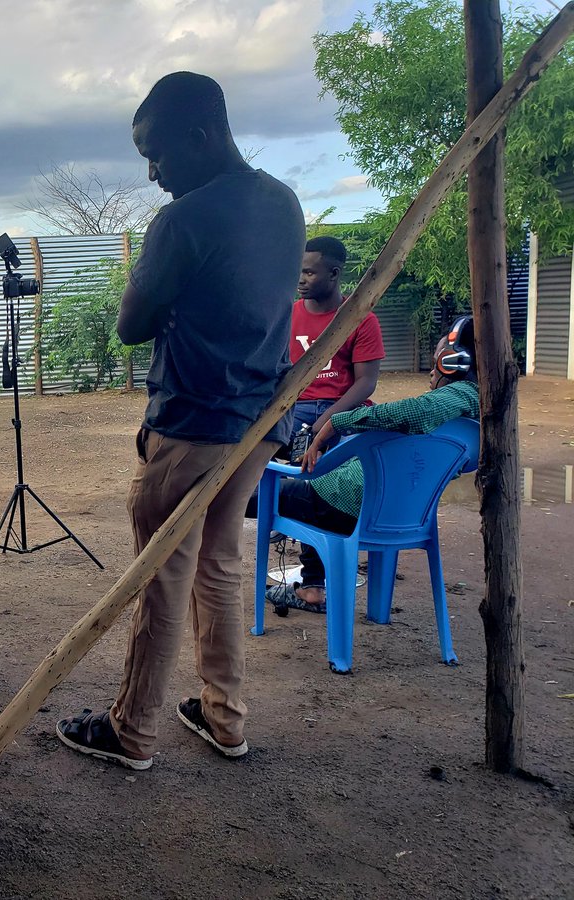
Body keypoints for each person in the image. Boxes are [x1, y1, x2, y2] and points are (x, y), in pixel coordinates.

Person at [56, 72, 306, 769]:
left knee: (162, 575)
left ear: (200, 136)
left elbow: (131, 324)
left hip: (190, 425)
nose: (151, 171)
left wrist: (169, 302)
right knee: (218, 567)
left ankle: (131, 730)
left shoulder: (183, 219)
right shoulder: (283, 203)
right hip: (256, 423)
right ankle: (225, 718)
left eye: (156, 152)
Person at [264, 316, 479, 614]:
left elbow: (414, 411)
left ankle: (295, 585)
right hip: (397, 516)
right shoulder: (474, 420)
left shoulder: (460, 395)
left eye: (437, 360)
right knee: (308, 484)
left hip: (344, 505)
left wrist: (333, 423)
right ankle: (319, 587)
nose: (432, 370)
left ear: (452, 363)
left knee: (255, 496)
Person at [288, 235, 384, 451]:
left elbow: (366, 382)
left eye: (309, 272)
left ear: (334, 274)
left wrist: (326, 422)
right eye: (299, 271)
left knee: (379, 445)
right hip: (295, 409)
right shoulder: (286, 318)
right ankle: (279, 485)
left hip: (344, 409)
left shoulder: (361, 319)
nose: (300, 279)